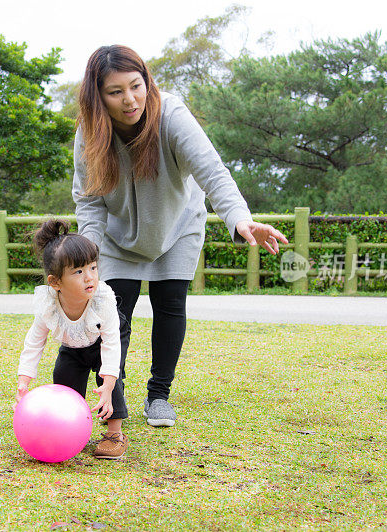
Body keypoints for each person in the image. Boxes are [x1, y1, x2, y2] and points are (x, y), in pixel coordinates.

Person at [73, 45, 289, 428]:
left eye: (136, 85)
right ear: (97, 96)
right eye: (116, 91)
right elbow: (89, 201)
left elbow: (212, 171)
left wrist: (240, 218)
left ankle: (159, 395)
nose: (130, 99)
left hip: (178, 225)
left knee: (170, 304)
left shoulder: (170, 114)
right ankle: (113, 396)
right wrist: (90, 251)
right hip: (119, 234)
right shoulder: (90, 133)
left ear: (147, 81)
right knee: (113, 313)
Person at [15, 219, 130, 460]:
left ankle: (114, 433)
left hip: (104, 340)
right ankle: (72, 425)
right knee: (64, 379)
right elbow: (34, 342)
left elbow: (111, 343)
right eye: (78, 271)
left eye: (93, 267)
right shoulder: (48, 305)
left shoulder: (102, 300)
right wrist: (24, 380)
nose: (89, 277)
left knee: (109, 380)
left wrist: (108, 386)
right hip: (72, 344)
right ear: (55, 282)